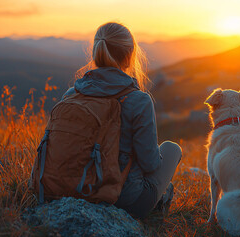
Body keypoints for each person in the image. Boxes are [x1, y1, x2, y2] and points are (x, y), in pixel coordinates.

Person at [62, 22, 182, 219]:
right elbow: (150, 164)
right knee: (172, 149)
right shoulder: (139, 100)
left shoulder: (72, 94)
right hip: (126, 201)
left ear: (96, 51)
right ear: (129, 56)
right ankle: (159, 203)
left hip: (75, 189)